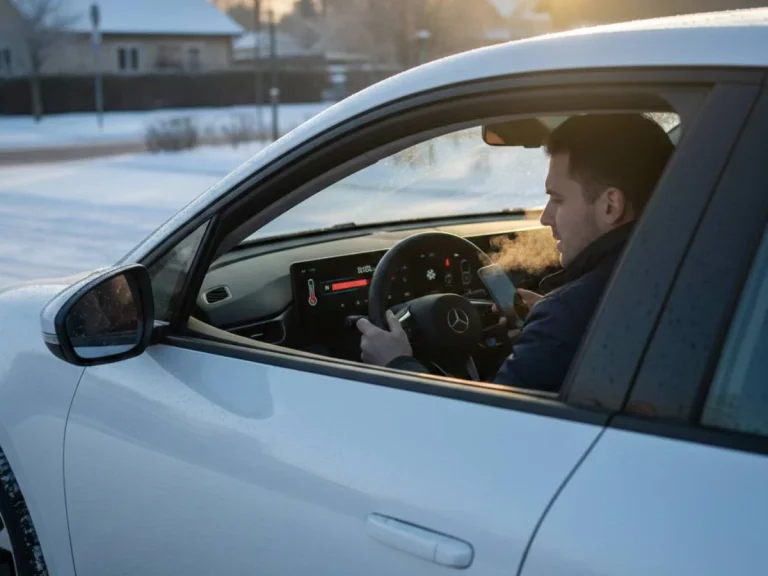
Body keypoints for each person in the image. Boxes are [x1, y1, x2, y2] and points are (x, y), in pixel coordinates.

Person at [356, 113, 675, 392]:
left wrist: (397, 365)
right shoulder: (675, 269)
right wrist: (541, 329)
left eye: (558, 199)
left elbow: (483, 430)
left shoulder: (566, 318)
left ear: (610, 206)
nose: (545, 217)